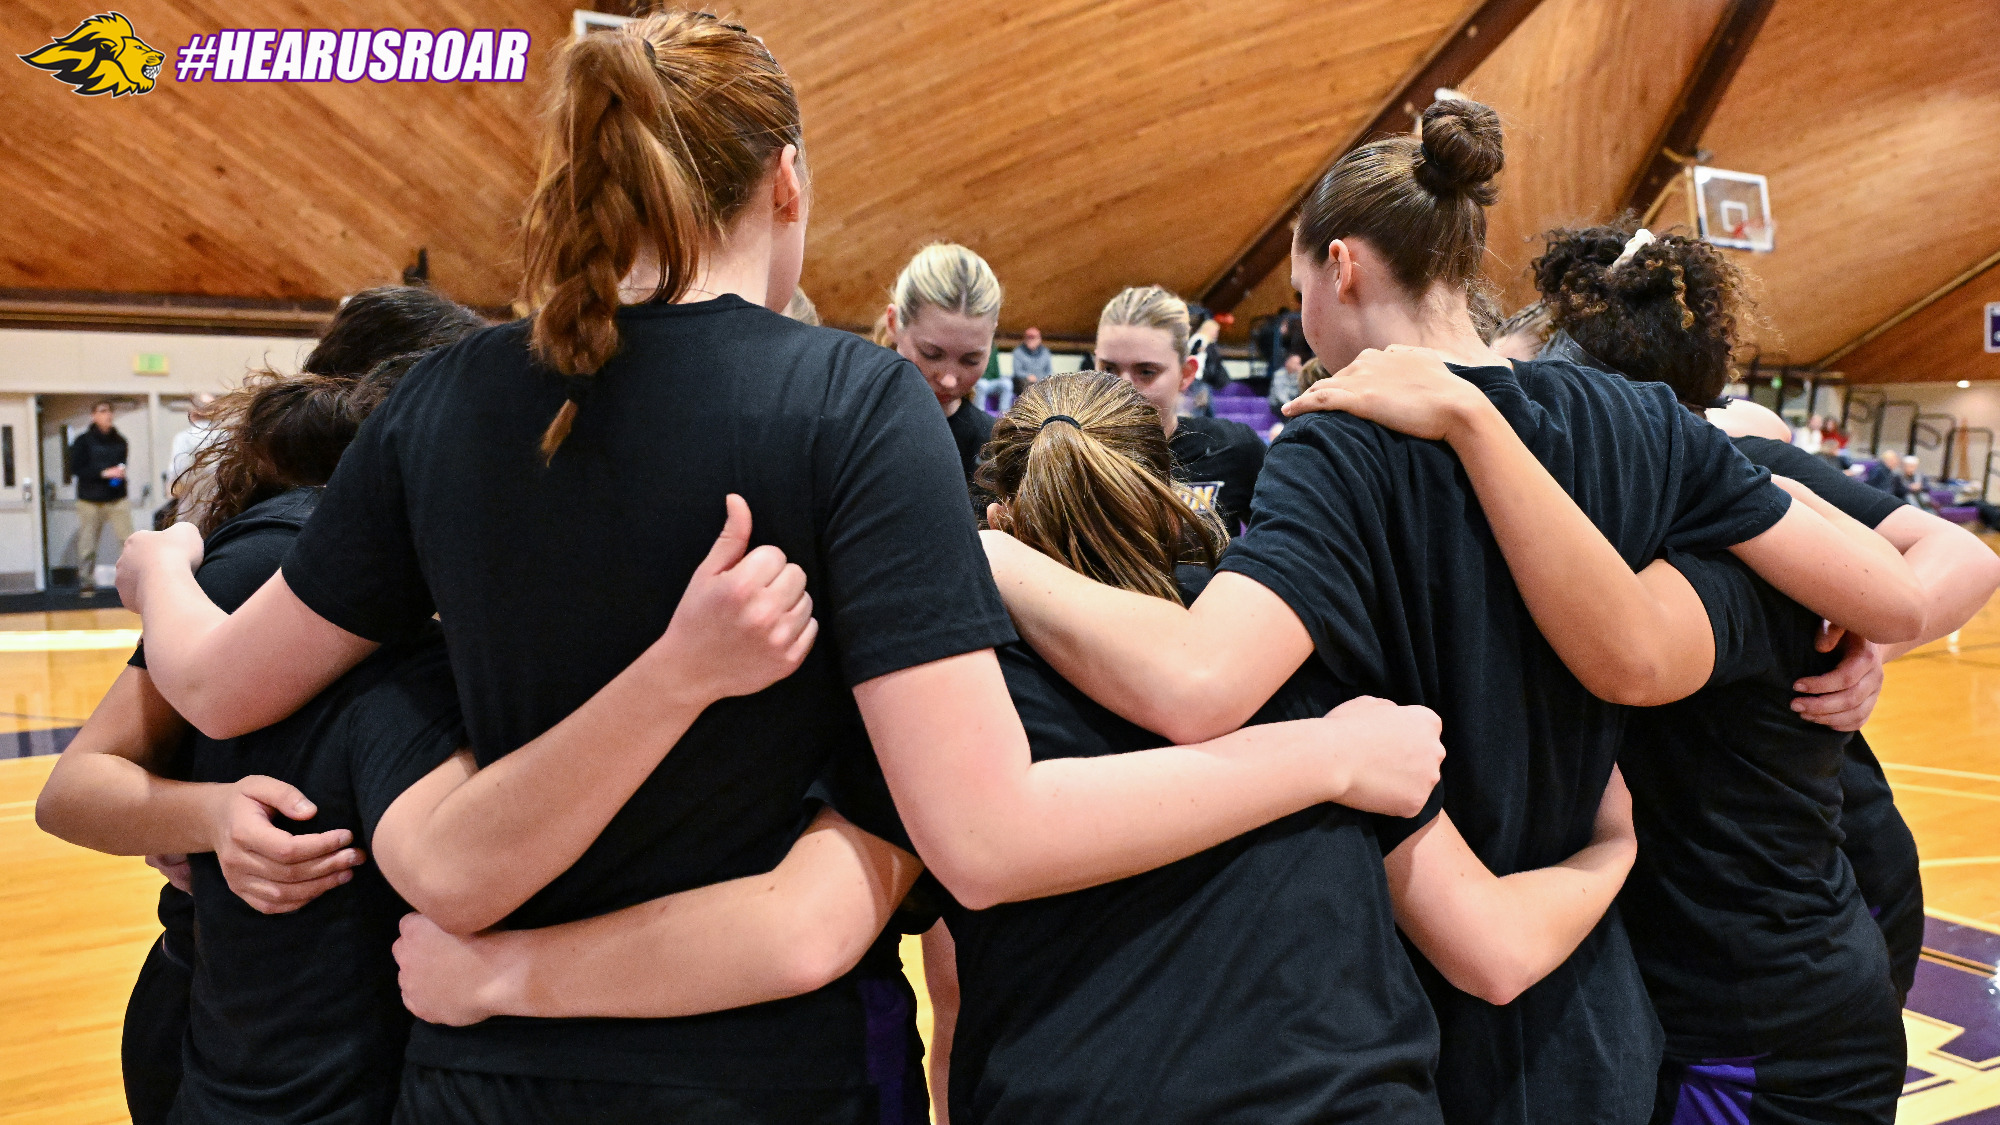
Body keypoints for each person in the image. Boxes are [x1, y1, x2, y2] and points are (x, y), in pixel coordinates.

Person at [114, 14, 1445, 1123]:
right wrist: (1319, 756)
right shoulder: (853, 408)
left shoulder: (442, 401)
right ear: (787, 180)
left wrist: (159, 570)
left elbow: (225, 691)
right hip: (755, 1077)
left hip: (482, 1080)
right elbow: (986, 840)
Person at [978, 97, 1922, 1125]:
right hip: (1602, 1012)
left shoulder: (1337, 436)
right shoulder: (1636, 417)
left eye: (1300, 293)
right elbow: (1898, 594)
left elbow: (1197, 683)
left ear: (1339, 267)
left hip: (1419, 1016)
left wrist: (980, 551)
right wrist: (1852, 634)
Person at [392, 375, 1637, 1125]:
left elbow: (800, 929)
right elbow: (1485, 949)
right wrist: (1616, 846)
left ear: (989, 516)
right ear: (1171, 498)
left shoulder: (943, 685)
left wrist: (503, 976)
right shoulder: (1293, 661)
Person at [1310, 222, 1972, 1123]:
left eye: (1523, 387)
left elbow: (1634, 653)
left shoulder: (1725, 504)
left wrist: (1869, 644)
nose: (1516, 409)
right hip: (1729, 961)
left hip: (1763, 998)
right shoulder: (1623, 492)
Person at [33, 287, 489, 1125]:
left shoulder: (409, 547)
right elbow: (72, 790)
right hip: (234, 1035)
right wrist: (204, 816)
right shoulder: (278, 552)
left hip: (342, 1028)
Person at [1090, 285, 1266, 534]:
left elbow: (1290, 552)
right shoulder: (1063, 453)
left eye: (1146, 372)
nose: (1123, 388)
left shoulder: (1232, 449)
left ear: (1186, 374)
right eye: (1108, 369)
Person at [884, 241, 1003, 489]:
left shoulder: (992, 447)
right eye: (931, 354)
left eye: (971, 360)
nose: (949, 379)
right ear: (894, 324)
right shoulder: (851, 420)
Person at [70, 401, 131, 596]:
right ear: (93, 416)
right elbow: (76, 469)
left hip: (116, 498)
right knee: (87, 543)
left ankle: (130, 582)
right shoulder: (82, 441)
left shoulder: (120, 440)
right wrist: (103, 473)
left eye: (110, 411)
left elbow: (121, 466)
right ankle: (86, 582)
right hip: (89, 500)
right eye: (103, 411)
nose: (108, 415)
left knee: (127, 540)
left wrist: (117, 477)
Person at [1010, 325, 1053, 399]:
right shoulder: (1018, 351)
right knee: (1028, 385)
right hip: (1024, 382)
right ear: (1024, 339)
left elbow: (1049, 371)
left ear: (1039, 339)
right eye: (1028, 338)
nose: (1031, 340)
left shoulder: (1046, 352)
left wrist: (1042, 379)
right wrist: (1028, 376)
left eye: (1033, 338)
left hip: (1042, 381)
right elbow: (1017, 371)